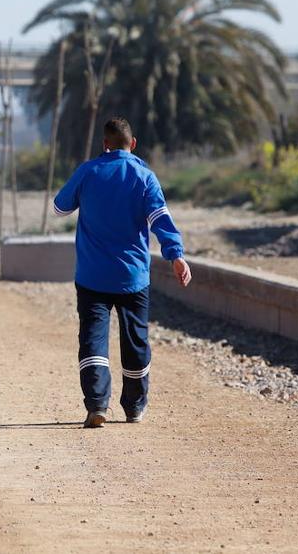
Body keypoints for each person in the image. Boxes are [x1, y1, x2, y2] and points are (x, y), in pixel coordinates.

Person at [51, 117, 192, 428]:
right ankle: (134, 407)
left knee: (92, 339)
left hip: (92, 275)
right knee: (135, 340)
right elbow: (160, 220)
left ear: (105, 144)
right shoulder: (144, 176)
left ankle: (97, 404)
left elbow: (60, 208)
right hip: (133, 277)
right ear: (134, 143)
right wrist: (176, 256)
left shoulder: (88, 171)